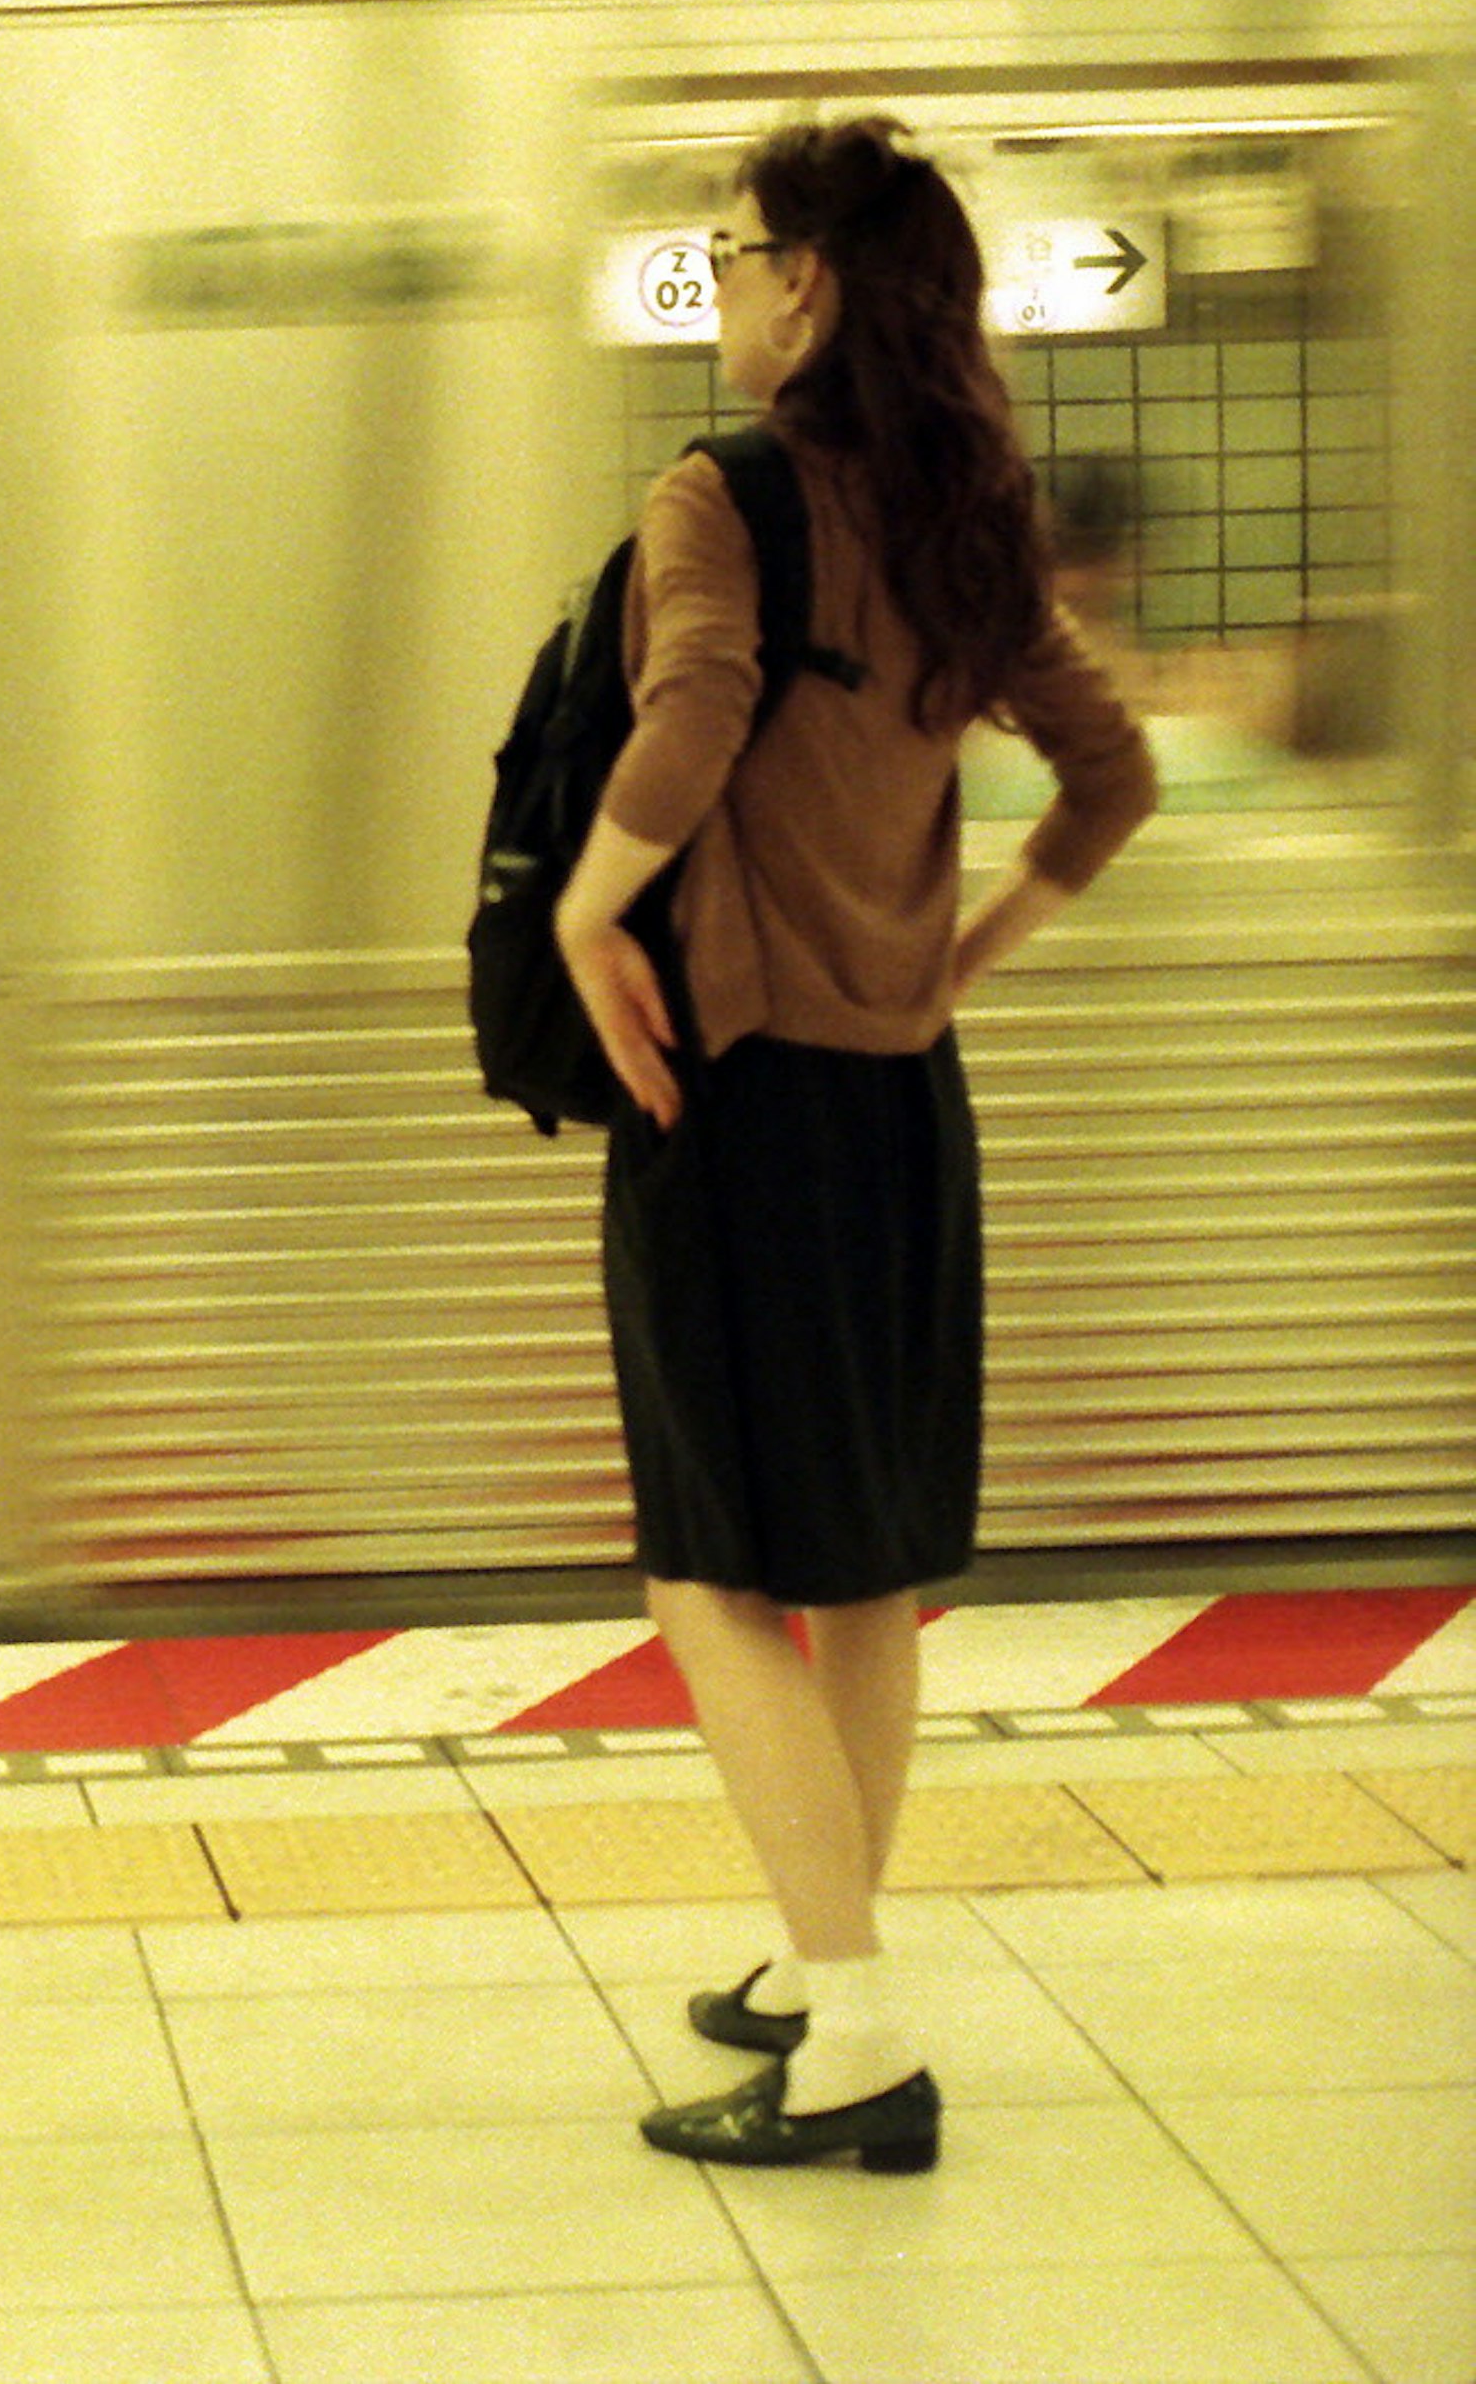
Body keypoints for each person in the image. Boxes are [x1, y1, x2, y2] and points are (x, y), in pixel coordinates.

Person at [555, 118, 1157, 2170]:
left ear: (805, 281)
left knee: (711, 1576)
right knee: (867, 1574)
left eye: (726, 255)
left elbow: (701, 701)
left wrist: (579, 907)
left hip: (736, 1097)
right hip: (904, 1104)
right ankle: (831, 1968)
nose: (710, 285)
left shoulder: (720, 495)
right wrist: (959, 953)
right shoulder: (952, 508)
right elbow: (1112, 768)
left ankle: (866, 2038)